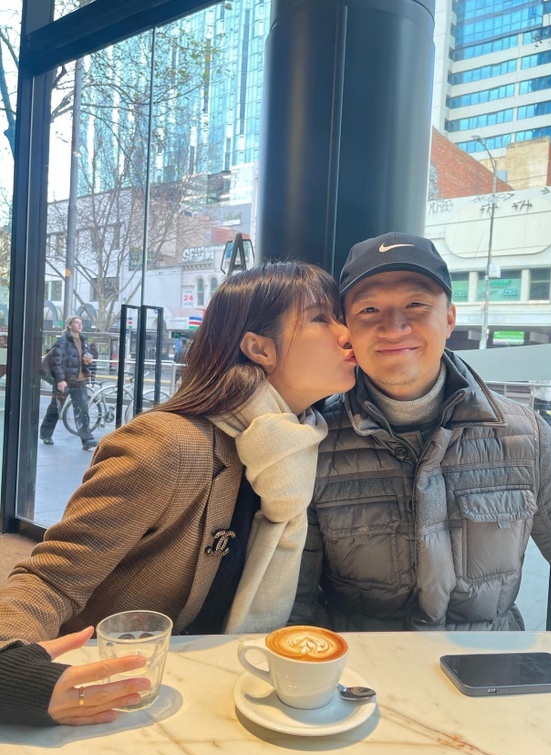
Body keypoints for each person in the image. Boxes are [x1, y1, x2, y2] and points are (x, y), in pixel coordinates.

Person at [0, 261, 355, 727]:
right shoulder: (169, 446)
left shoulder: (302, 447)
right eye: (321, 318)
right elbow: (52, 580)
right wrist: (11, 669)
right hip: (122, 696)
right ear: (259, 348)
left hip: (223, 689)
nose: (346, 333)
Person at [291, 233, 551, 633]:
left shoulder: (524, 436)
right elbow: (293, 604)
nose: (394, 326)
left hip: (489, 668)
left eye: (416, 304)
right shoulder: (313, 439)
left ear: (449, 319)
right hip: (358, 670)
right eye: (369, 309)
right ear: (347, 329)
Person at [39, 316, 97, 451]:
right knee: (56, 408)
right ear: (69, 325)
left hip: (79, 381)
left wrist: (88, 360)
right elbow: (56, 361)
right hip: (65, 381)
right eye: (76, 323)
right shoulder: (62, 341)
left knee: (82, 410)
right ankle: (45, 434)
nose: (80, 325)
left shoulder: (83, 341)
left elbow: (83, 358)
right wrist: (60, 380)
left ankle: (87, 439)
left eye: (81, 323)